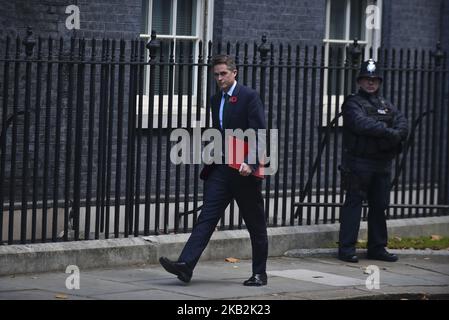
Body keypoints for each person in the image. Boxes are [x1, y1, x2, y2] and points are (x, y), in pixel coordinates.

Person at [159, 54, 268, 286]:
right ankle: (186, 266)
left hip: (243, 170)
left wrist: (250, 161)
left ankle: (260, 273)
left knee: (255, 223)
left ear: (234, 72)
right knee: (207, 217)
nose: (219, 78)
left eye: (223, 74)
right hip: (221, 168)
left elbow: (259, 132)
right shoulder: (215, 99)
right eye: (216, 75)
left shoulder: (249, 96)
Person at [338, 59, 409, 263]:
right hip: (359, 163)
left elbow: (402, 123)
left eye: (374, 80)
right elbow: (361, 124)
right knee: (354, 205)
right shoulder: (352, 103)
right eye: (367, 79)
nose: (371, 83)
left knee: (380, 206)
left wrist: (392, 133)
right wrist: (389, 132)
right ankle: (347, 249)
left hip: (381, 163)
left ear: (379, 82)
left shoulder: (385, 104)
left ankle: (377, 248)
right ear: (360, 81)